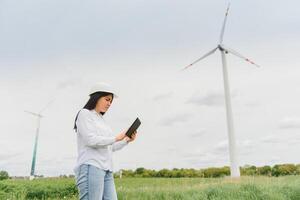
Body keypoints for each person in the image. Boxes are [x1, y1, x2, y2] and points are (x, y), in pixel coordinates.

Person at [73, 82, 136, 200]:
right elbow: (90, 140)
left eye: (111, 101)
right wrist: (117, 137)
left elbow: (110, 147)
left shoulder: (102, 120)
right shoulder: (85, 114)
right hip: (91, 166)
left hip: (106, 169)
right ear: (96, 97)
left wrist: (126, 140)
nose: (109, 103)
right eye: (107, 99)